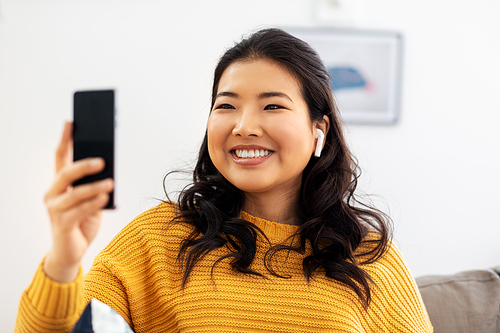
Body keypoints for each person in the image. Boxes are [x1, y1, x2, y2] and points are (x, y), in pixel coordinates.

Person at [15, 28, 433, 332]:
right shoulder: (158, 238)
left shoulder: (368, 257)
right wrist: (65, 258)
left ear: (318, 131)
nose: (244, 126)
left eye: (272, 106)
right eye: (226, 105)